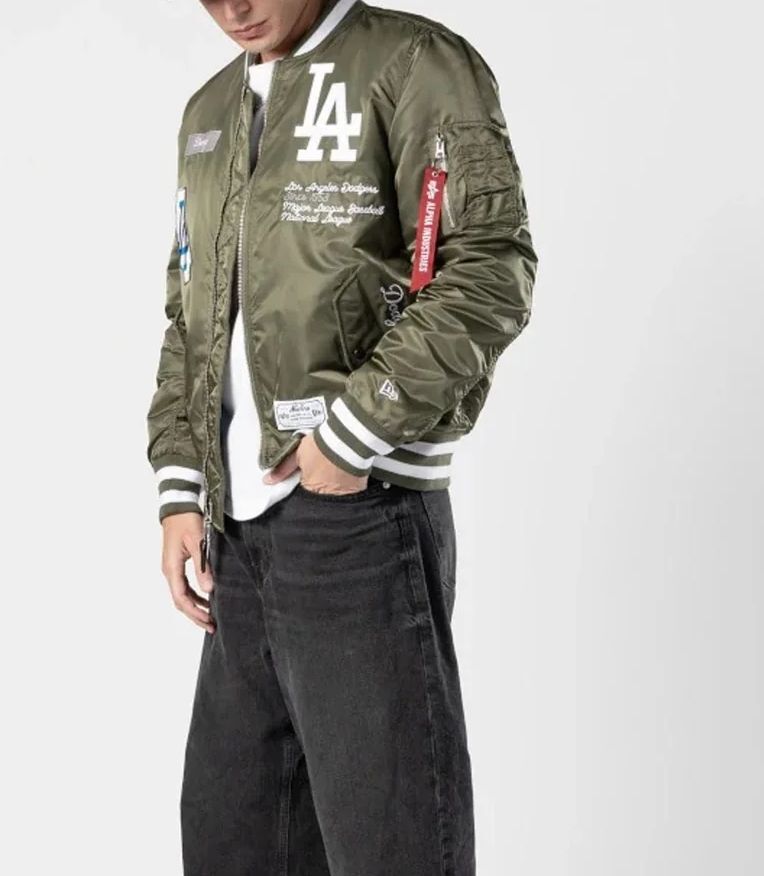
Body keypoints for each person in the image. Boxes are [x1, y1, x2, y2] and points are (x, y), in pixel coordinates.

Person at [145, 0, 537, 872]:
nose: (233, 8)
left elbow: (490, 266)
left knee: (392, 849)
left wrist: (351, 435)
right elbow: (189, 314)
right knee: (231, 845)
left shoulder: (413, 63)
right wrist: (181, 482)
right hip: (233, 543)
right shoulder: (209, 110)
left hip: (360, 522)